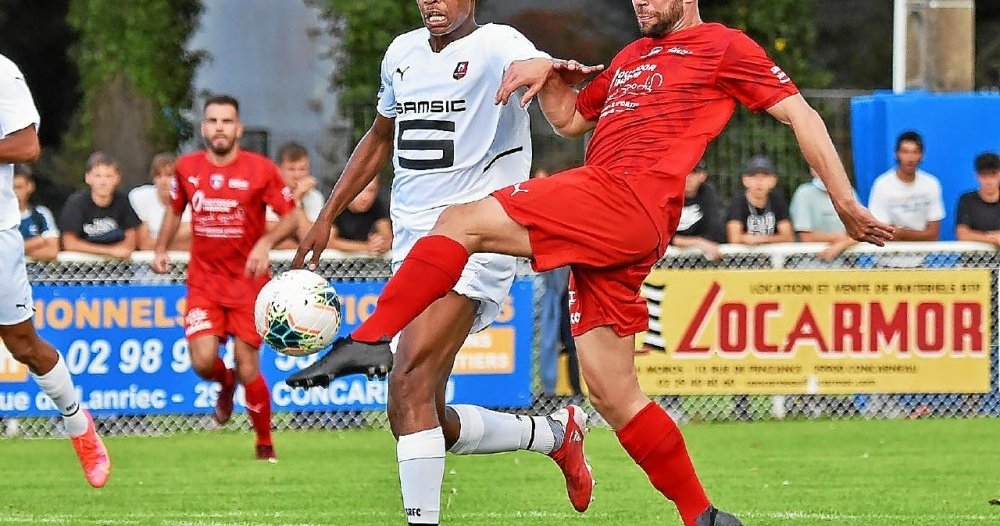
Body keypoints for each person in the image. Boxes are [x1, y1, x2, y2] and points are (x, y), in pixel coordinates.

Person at [288, 1, 894, 525]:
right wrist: (550, 73)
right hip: (617, 227)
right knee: (612, 392)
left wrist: (844, 202)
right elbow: (572, 118)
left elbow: (801, 113)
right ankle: (703, 514)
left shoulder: (722, 47)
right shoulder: (630, 57)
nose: (637, 4)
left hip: (626, 198)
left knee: (461, 221)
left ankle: (369, 338)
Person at [286, 2, 593, 524]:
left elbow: (536, 64)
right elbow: (379, 138)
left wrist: (544, 66)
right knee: (417, 408)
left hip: (476, 239)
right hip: (412, 248)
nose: (432, 2)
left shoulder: (497, 43)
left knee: (405, 381)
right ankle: (554, 434)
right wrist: (327, 216)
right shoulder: (400, 53)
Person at [151, 94, 299, 461]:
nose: (220, 127)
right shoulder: (186, 168)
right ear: (203, 128)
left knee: (249, 365)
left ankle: (265, 444)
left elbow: (293, 216)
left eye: (227, 121)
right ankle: (224, 381)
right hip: (204, 283)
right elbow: (174, 211)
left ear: (239, 128)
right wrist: (160, 248)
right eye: (213, 121)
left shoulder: (260, 169)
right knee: (202, 362)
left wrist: (265, 243)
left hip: (249, 285)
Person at [0, 52, 110, 487]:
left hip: (0, 233)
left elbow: (27, 146)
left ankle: (77, 423)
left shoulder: (2, 72)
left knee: (24, 345)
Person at [59, 152, 141, 259]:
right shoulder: (76, 203)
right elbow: (69, 243)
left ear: (117, 178)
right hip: (82, 270)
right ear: (87, 178)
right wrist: (109, 252)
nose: (103, 182)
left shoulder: (122, 201)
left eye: (108, 176)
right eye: (98, 176)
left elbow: (131, 241)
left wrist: (119, 251)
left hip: (118, 270)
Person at [867, 131, 945, 241]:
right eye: (905, 152)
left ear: (922, 155)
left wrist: (900, 232)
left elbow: (933, 234)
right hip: (886, 255)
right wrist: (918, 234)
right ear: (896, 153)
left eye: (915, 152)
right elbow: (881, 233)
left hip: (921, 256)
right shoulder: (882, 184)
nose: (910, 158)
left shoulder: (931, 184)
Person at [789, 168, 860, 261]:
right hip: (811, 264)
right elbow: (805, 237)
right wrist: (842, 238)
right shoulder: (804, 193)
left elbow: (861, 232)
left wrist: (841, 245)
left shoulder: (849, 192)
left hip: (845, 263)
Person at [266, 141, 324, 249]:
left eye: (302, 169)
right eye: (291, 169)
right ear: (278, 170)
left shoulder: (315, 197)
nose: (297, 175)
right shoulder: (267, 193)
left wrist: (297, 200)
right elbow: (268, 234)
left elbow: (310, 239)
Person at [726, 155, 794, 246]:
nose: (759, 181)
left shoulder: (777, 200)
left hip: (773, 258)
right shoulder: (738, 201)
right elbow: (734, 238)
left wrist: (758, 239)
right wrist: (774, 238)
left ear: (773, 181)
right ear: (745, 180)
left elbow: (788, 237)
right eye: (754, 176)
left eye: (765, 176)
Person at [129, 153, 192, 251]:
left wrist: (158, 243)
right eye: (158, 175)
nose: (163, 181)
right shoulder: (140, 196)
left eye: (169, 175)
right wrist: (182, 237)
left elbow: (193, 244)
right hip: (146, 263)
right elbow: (145, 245)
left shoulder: (191, 198)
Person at [671, 159, 724, 260]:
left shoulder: (708, 193)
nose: (688, 177)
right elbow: (664, 237)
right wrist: (698, 242)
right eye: (684, 172)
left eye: (693, 173)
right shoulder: (669, 195)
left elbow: (715, 230)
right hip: (669, 259)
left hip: (702, 258)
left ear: (703, 176)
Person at [328, 177, 392, 255]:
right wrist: (366, 247)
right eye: (359, 190)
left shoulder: (377, 204)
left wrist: (380, 243)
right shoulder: (336, 205)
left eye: (371, 191)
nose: (365, 197)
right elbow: (329, 242)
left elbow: (387, 237)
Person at [13, 164, 60, 261]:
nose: (14, 193)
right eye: (10, 188)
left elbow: (52, 251)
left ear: (30, 186)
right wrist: (39, 241)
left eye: (18, 187)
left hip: (38, 275)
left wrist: (15, 251)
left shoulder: (41, 214)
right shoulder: (3, 218)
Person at [955, 152, 1000, 247]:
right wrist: (992, 238)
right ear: (977, 176)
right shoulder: (967, 200)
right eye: (984, 176)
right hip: (972, 260)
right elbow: (962, 234)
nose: (989, 181)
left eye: (993, 175)